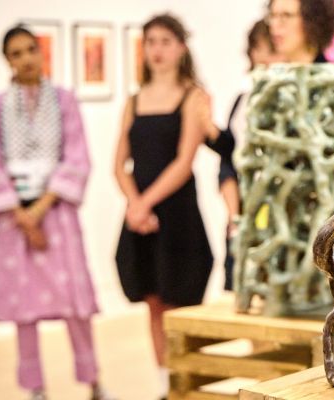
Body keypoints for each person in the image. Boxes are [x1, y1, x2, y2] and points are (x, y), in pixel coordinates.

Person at [0, 25, 113, 400]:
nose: (25, 59)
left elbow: (77, 156)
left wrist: (40, 208)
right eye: (16, 53)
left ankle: (93, 382)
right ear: (7, 60)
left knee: (76, 302)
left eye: (30, 50)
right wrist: (22, 217)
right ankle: (35, 389)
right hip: (14, 220)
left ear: (41, 53)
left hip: (57, 213)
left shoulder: (64, 101)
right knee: (24, 309)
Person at [113, 14, 216, 400]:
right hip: (143, 218)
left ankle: (188, 382)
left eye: (165, 41)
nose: (157, 49)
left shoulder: (193, 96)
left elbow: (183, 162)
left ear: (181, 47)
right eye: (151, 41)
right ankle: (164, 386)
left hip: (175, 216)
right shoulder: (134, 100)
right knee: (153, 302)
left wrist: (144, 202)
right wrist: (135, 205)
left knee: (180, 302)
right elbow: (118, 164)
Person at [208, 18, 279, 291]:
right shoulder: (243, 100)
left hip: (276, 212)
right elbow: (231, 157)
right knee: (242, 290)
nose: (261, 57)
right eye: (256, 49)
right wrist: (233, 212)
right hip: (244, 212)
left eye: (268, 49)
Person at [266, 0, 334, 63]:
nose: (275, 24)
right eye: (273, 15)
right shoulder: (269, 77)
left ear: (312, 19)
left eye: (287, 15)